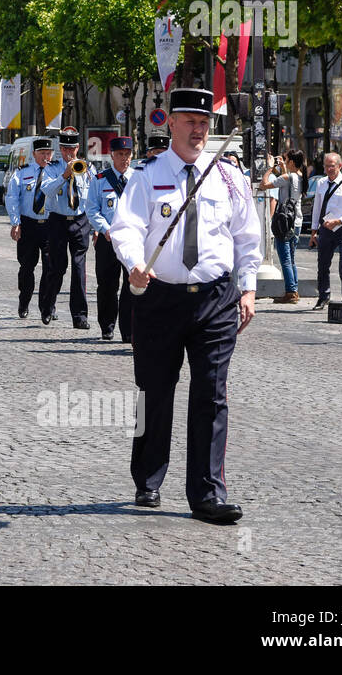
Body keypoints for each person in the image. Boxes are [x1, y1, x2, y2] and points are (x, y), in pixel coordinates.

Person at [110, 88, 262, 524]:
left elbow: (247, 236)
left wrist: (247, 289)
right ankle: (148, 477)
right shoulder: (146, 174)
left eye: (204, 123)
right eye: (190, 122)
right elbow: (126, 227)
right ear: (171, 123)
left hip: (215, 299)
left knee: (212, 395)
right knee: (154, 393)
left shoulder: (228, 177)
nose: (198, 131)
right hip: (160, 297)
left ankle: (208, 492)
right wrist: (135, 265)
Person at [85, 137, 135, 342]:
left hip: (132, 239)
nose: (124, 159)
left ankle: (128, 329)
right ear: (112, 155)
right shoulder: (100, 180)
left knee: (131, 285)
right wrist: (104, 229)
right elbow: (92, 209)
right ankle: (107, 326)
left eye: (128, 155)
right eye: (120, 155)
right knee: (107, 284)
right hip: (108, 239)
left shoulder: (138, 178)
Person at [41, 129, 93, 330]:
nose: (69, 153)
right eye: (65, 149)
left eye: (72, 148)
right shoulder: (51, 168)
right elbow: (47, 190)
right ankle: (48, 306)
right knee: (57, 267)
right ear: (60, 149)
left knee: (79, 268)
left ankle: (80, 316)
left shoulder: (87, 168)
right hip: (58, 220)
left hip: (80, 220)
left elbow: (91, 196)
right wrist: (64, 175)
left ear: (78, 148)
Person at [6, 138, 57, 320]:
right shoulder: (22, 173)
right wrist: (15, 222)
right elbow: (12, 197)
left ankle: (47, 306)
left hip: (51, 225)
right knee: (27, 266)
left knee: (50, 267)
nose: (46, 156)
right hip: (28, 224)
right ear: (34, 154)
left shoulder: (58, 171)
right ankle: (24, 301)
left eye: (48, 153)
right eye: (42, 153)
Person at [309, 152, 342, 308]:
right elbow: (316, 209)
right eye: (326, 166)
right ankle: (323, 296)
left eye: (332, 165)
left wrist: (339, 221)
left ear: (339, 166)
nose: (328, 169)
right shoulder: (321, 183)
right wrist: (313, 231)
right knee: (323, 264)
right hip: (325, 229)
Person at [261, 150, 305, 304]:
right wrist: (280, 168)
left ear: (292, 162)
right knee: (291, 258)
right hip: (296, 221)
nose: (284, 162)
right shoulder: (299, 176)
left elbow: (263, 185)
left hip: (284, 222)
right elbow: (288, 181)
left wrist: (269, 168)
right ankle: (294, 289)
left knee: (285, 258)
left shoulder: (286, 177)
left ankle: (291, 292)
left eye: (286, 160)